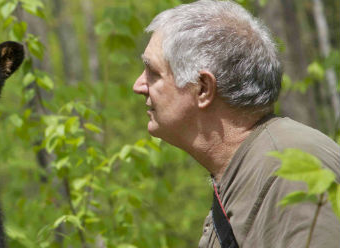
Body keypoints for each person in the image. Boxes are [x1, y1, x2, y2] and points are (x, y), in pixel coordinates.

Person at [132, 0, 340, 247]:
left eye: (153, 73)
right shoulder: (254, 167)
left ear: (203, 89)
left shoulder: (289, 171)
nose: (138, 85)